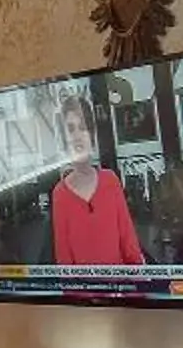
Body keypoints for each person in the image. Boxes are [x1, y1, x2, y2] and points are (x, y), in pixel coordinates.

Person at [47, 89, 144, 266]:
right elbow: (65, 263)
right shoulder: (59, 194)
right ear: (64, 138)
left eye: (83, 127)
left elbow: (130, 246)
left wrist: (140, 289)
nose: (77, 136)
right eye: (70, 129)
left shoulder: (111, 181)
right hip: (85, 293)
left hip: (123, 291)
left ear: (92, 135)